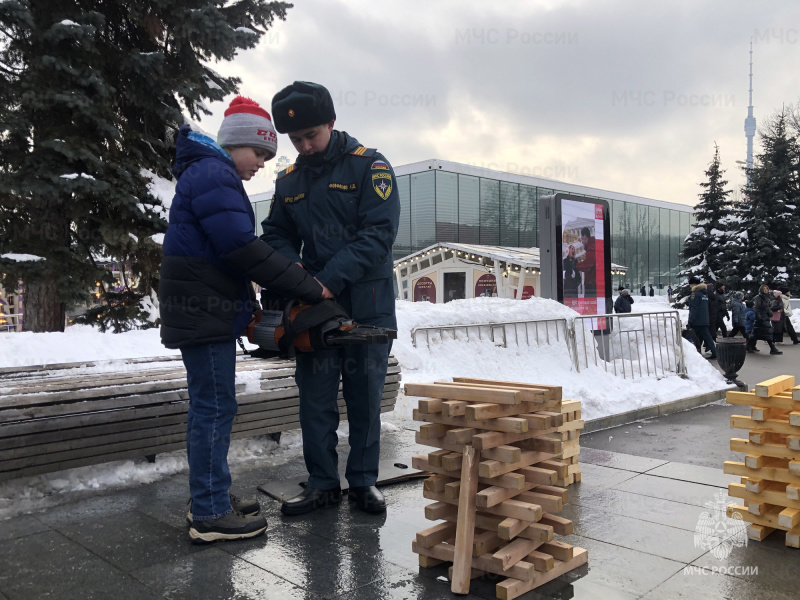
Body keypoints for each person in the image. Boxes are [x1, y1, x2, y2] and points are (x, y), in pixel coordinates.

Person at [159, 97, 327, 543]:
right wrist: (306, 285)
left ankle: (209, 496)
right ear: (236, 144)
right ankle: (211, 514)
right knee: (214, 410)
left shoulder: (206, 173)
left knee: (211, 408)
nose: (261, 165)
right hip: (203, 316)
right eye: (259, 154)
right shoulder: (216, 174)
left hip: (204, 312)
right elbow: (240, 247)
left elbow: (222, 254)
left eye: (269, 158)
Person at [262, 81, 400, 516]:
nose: (304, 146)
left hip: (366, 304)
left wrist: (328, 279)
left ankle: (363, 482)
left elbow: (378, 235)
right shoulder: (288, 180)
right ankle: (322, 483)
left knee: (364, 398)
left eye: (311, 136)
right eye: (296, 140)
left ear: (331, 123)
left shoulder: (370, 167)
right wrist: (296, 272)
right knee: (315, 400)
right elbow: (276, 235)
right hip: (315, 310)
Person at [747, 284, 782, 355]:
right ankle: (772, 348)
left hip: (765, 317)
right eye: (764, 289)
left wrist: (769, 313)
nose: (766, 290)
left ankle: (749, 346)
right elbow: (757, 308)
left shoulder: (768, 297)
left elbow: (768, 307)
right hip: (761, 318)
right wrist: (760, 317)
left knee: (756, 334)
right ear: (761, 290)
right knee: (766, 333)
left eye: (767, 289)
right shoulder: (758, 297)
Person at [687, 276, 716, 359]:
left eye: (690, 284)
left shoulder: (694, 294)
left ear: (693, 284)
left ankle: (695, 352)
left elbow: (694, 308)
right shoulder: (704, 293)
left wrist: (691, 320)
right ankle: (714, 351)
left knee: (693, 337)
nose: (690, 286)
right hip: (705, 319)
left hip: (697, 320)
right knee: (707, 336)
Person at [574, 227, 596, 298]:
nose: (582, 242)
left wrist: (576, 265)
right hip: (593, 281)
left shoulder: (591, 247)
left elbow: (588, 264)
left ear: (585, 236)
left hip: (592, 282)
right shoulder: (593, 245)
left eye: (582, 239)